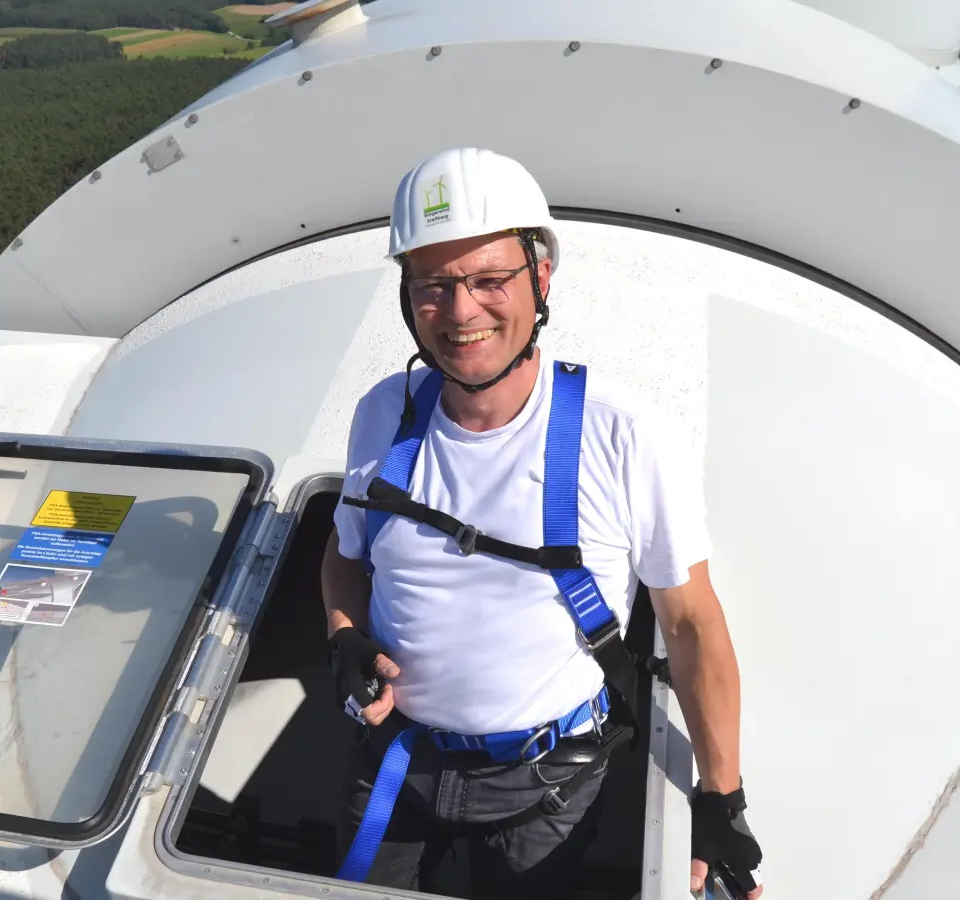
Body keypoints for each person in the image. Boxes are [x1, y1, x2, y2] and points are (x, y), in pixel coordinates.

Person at [321, 147, 764, 899]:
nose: (461, 313)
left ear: (541, 278)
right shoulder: (381, 417)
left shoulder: (621, 435)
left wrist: (721, 802)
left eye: (490, 280)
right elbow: (345, 552)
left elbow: (690, 625)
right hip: (398, 762)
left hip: (547, 787)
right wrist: (343, 635)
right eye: (433, 286)